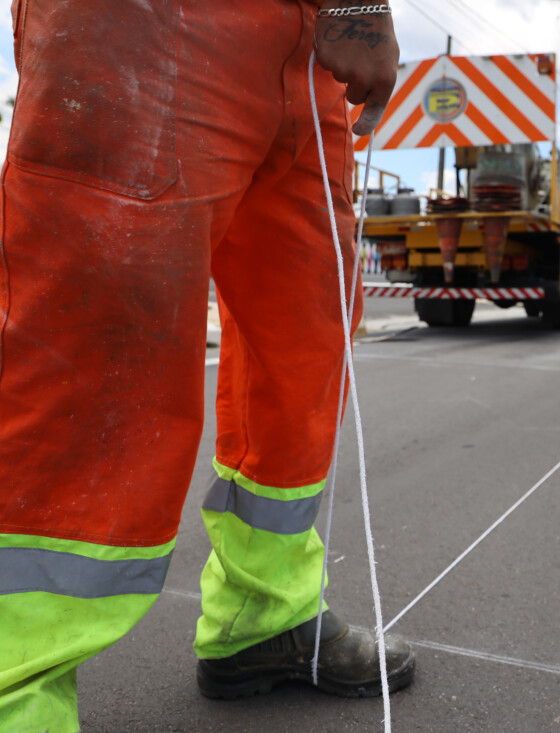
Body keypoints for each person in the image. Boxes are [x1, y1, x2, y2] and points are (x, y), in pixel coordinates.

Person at [0, 3, 415, 730]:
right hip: (146, 21)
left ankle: (265, 615)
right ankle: (15, 688)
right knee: (94, 346)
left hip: (302, 53)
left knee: (305, 346)